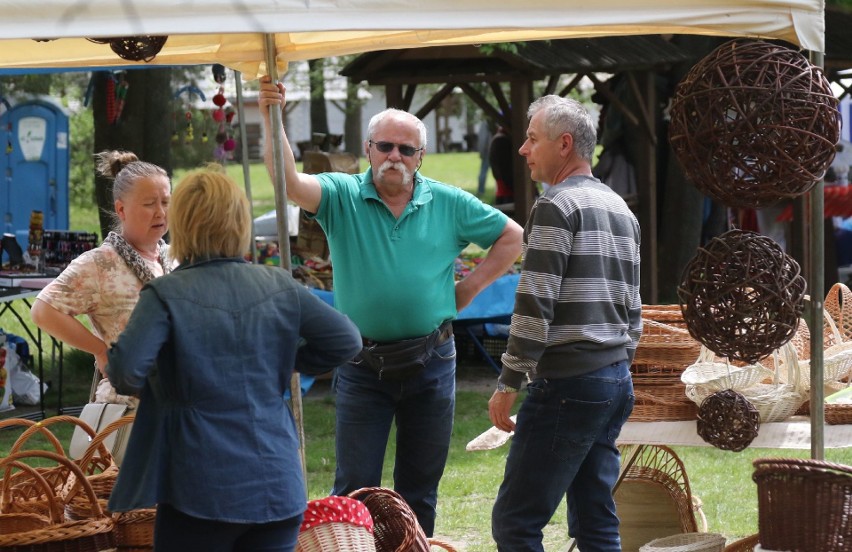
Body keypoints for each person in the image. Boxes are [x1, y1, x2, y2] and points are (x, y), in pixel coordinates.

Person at [258, 76, 524, 536]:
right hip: (362, 365)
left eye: (406, 149)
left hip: (433, 361)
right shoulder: (341, 195)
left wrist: (468, 290)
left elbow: (512, 236)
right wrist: (270, 114)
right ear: (369, 150)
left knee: (420, 489)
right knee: (355, 489)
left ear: (421, 157)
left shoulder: (447, 201)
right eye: (385, 147)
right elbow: (287, 181)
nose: (394, 157)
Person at [105, 168, 363, 552]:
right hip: (277, 482)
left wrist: (171, 381)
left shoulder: (165, 293)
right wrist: (284, 360)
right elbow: (346, 341)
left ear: (183, 223)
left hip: (199, 486)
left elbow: (125, 371)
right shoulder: (279, 284)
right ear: (239, 222)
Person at [489, 95, 642, 552]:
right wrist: (617, 364)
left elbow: (536, 301)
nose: (522, 149)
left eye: (533, 138)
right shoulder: (620, 207)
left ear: (565, 145)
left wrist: (508, 382)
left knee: (515, 523)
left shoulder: (557, 204)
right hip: (614, 379)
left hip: (571, 382)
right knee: (596, 520)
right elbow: (633, 308)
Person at [31, 150, 172, 406]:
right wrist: (100, 350)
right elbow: (43, 310)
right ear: (121, 209)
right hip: (128, 406)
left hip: (173, 403)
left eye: (166, 201)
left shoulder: (174, 259)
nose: (160, 212)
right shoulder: (101, 262)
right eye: (149, 204)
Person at [489, 125, 514, 204]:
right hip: (508, 193)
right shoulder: (501, 140)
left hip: (505, 192)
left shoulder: (499, 139)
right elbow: (505, 169)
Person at [476, 118, 492, 196]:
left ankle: (480, 191)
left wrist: (482, 152)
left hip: (487, 152)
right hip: (492, 150)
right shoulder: (493, 123)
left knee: (483, 172)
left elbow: (482, 139)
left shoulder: (485, 123)